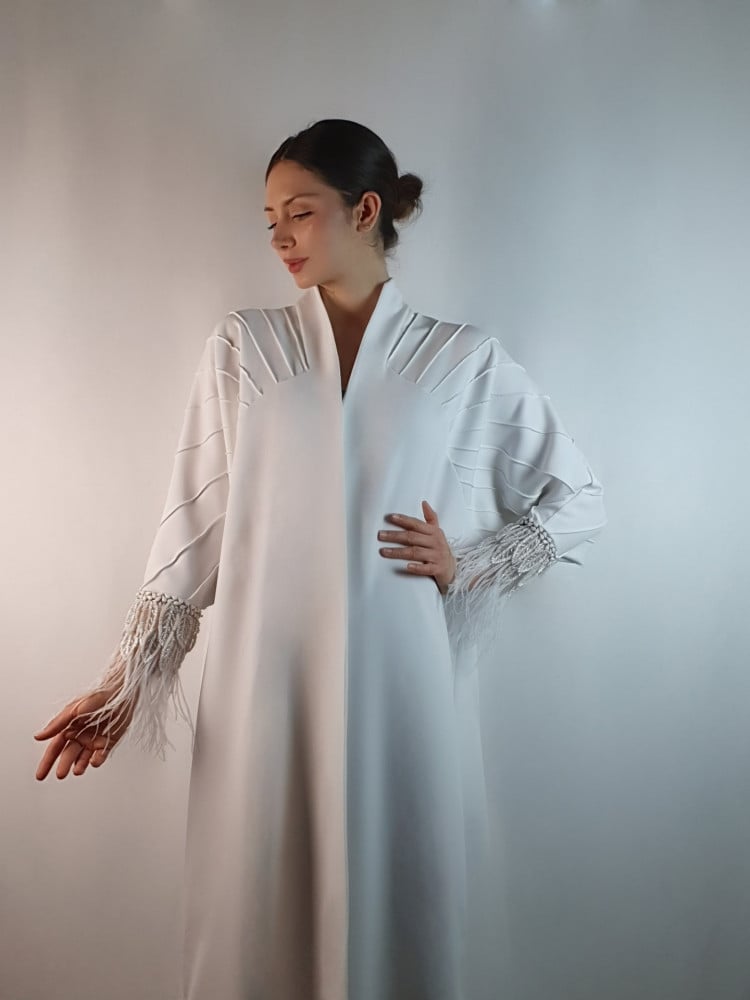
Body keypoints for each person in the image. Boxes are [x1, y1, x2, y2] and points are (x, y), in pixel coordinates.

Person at [33, 118, 607, 1000]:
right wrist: (123, 690)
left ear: (365, 209)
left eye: (299, 213)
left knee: (397, 911)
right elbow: (191, 532)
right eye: (270, 220)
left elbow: (579, 499)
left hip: (402, 690)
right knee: (251, 911)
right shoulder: (244, 348)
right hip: (261, 686)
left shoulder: (460, 361)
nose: (280, 238)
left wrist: (469, 561)